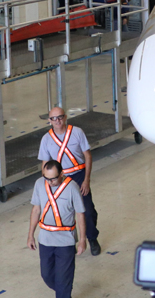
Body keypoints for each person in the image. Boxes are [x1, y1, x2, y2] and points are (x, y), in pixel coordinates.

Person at [37, 107, 101, 255]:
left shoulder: (77, 132)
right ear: (49, 121)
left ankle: (92, 238)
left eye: (60, 117)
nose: (57, 121)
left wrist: (86, 180)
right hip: (60, 179)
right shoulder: (46, 139)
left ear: (65, 117)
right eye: (54, 118)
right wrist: (48, 184)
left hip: (79, 175)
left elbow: (88, 156)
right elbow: (45, 165)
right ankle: (69, 241)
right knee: (63, 212)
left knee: (87, 210)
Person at [28, 160, 87, 298]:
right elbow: (36, 209)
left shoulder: (72, 187)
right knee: (46, 275)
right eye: (46, 178)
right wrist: (30, 235)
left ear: (62, 173)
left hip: (65, 241)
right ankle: (63, 291)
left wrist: (83, 240)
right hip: (45, 240)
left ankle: (64, 293)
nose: (50, 182)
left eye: (53, 179)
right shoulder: (39, 184)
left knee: (63, 280)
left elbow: (80, 214)